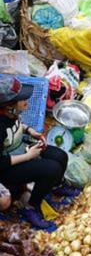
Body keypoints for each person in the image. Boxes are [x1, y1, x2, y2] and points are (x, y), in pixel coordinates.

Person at [0, 76, 69, 228]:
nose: (27, 101)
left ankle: (55, 186)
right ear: (9, 105)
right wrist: (27, 156)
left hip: (21, 149)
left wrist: (30, 131)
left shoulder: (11, 114)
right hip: (7, 168)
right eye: (23, 99)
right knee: (51, 168)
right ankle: (31, 207)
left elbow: (17, 125)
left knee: (60, 156)